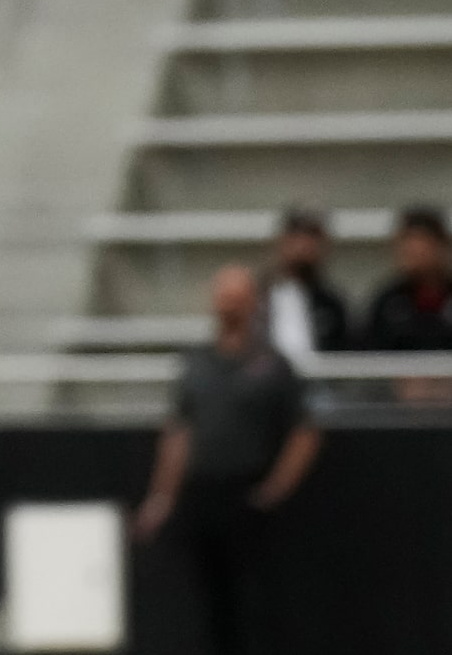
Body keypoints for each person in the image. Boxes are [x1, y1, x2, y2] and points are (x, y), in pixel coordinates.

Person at [131, 265, 319, 655]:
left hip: (247, 493)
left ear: (253, 303)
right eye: (223, 295)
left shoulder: (272, 364)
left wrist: (275, 488)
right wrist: (162, 497)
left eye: (238, 296)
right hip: (201, 493)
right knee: (206, 598)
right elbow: (178, 432)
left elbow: (305, 429)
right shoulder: (196, 363)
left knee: (252, 600)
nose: (230, 304)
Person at [359, 206, 452, 353]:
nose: (410, 256)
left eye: (420, 250)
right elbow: (369, 353)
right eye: (406, 250)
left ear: (440, 247)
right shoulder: (386, 302)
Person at [266, 207, 347, 363]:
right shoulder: (259, 299)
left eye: (312, 237)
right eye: (296, 236)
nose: (303, 245)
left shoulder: (333, 305)